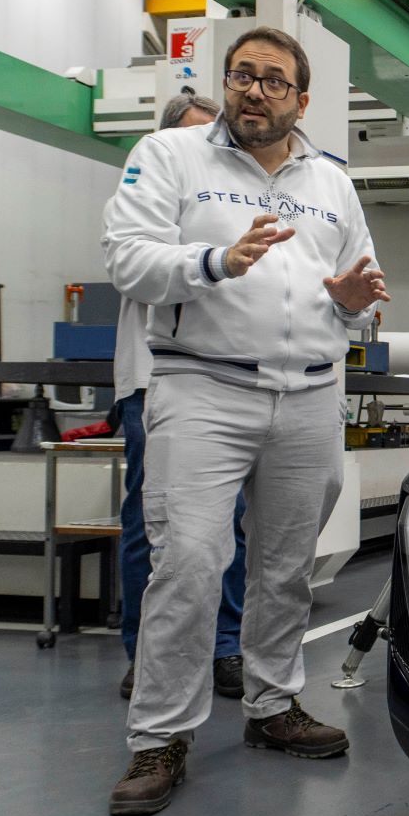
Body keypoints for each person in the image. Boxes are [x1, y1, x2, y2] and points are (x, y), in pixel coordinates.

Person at [100, 28, 388, 816]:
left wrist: (352, 305)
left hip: (310, 394)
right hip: (204, 387)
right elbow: (126, 259)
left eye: (273, 80)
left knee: (287, 566)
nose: (255, 90)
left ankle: (271, 704)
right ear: (226, 84)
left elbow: (357, 286)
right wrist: (216, 261)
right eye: (242, 75)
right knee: (189, 562)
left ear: (302, 99)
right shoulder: (170, 157)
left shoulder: (332, 183)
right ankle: (160, 737)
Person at [110, 92, 250, 703]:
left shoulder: (231, 198)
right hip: (151, 380)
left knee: (229, 524)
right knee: (154, 524)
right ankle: (147, 653)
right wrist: (214, 256)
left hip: (223, 380)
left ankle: (224, 646)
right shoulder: (149, 192)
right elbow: (142, 268)